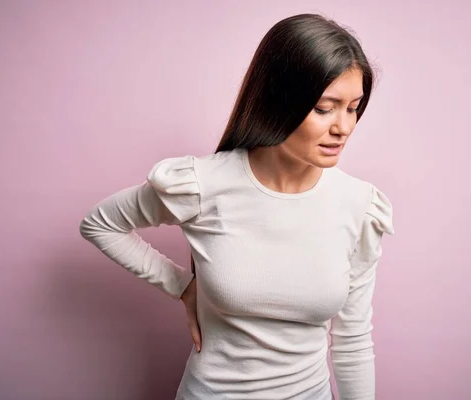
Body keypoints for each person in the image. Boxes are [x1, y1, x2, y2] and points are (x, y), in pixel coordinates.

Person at [80, 13, 394, 400]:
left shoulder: (359, 206)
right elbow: (99, 224)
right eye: (325, 108)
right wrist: (182, 286)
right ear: (277, 101)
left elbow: (353, 342)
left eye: (353, 107)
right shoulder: (203, 184)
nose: (343, 127)